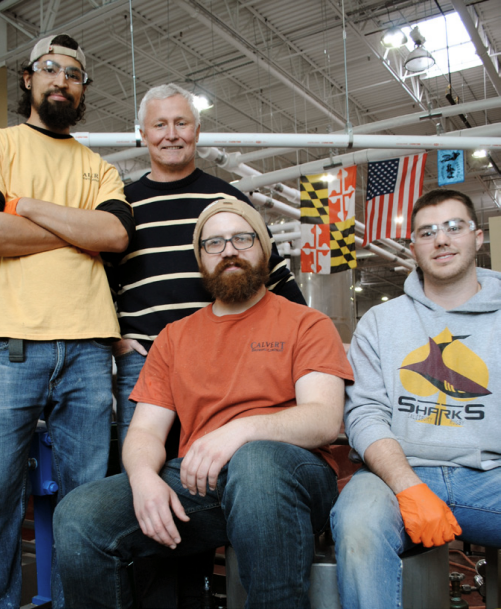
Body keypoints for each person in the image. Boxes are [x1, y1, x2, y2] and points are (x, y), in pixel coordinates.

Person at [55, 198, 353, 609]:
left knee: (256, 461)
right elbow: (143, 431)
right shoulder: (175, 337)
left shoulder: (307, 322)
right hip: (204, 484)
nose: (228, 250)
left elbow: (323, 419)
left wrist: (241, 430)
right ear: (201, 261)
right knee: (78, 515)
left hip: (294, 479)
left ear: (263, 249)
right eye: (214, 244)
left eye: (242, 238)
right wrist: (143, 480)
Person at [0, 34, 134, 609]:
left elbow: (112, 235)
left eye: (75, 74)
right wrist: (75, 230)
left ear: (83, 89)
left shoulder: (100, 167)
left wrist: (27, 207)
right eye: (50, 69)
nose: (62, 80)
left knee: (85, 507)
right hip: (9, 345)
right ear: (28, 79)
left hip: (89, 348)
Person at [106, 82, 305, 456]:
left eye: (181, 123)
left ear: (197, 131)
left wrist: (308, 339)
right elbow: (96, 281)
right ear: (143, 134)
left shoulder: (228, 198)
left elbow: (274, 273)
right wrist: (110, 339)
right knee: (143, 473)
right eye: (160, 125)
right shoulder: (120, 205)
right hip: (144, 362)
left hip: (227, 362)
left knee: (225, 471)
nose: (171, 135)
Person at [330, 188, 501, 609]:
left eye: (453, 227)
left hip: (491, 477)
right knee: (357, 523)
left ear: (477, 237)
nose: (441, 239)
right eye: (427, 232)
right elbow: (365, 413)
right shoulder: (380, 322)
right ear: (414, 247)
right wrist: (408, 486)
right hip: (396, 475)